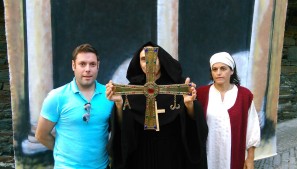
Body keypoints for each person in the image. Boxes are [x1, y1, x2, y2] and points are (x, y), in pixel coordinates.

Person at [105, 41, 208, 169]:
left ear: (161, 59)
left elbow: (193, 126)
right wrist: (119, 104)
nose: (148, 63)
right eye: (143, 59)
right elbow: (123, 129)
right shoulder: (131, 91)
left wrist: (189, 105)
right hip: (141, 155)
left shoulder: (179, 87)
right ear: (138, 63)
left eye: (154, 58)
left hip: (171, 154)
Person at [35, 44, 114, 169]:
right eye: (82, 64)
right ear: (73, 66)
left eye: (92, 64)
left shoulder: (109, 96)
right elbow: (41, 135)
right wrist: (65, 153)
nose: (87, 69)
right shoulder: (57, 96)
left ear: (98, 66)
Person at [196, 52, 261, 169]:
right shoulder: (201, 94)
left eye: (223, 68)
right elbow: (193, 121)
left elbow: (252, 128)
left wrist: (250, 158)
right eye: (214, 69)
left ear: (232, 71)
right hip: (208, 156)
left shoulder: (244, 95)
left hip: (234, 157)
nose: (218, 73)